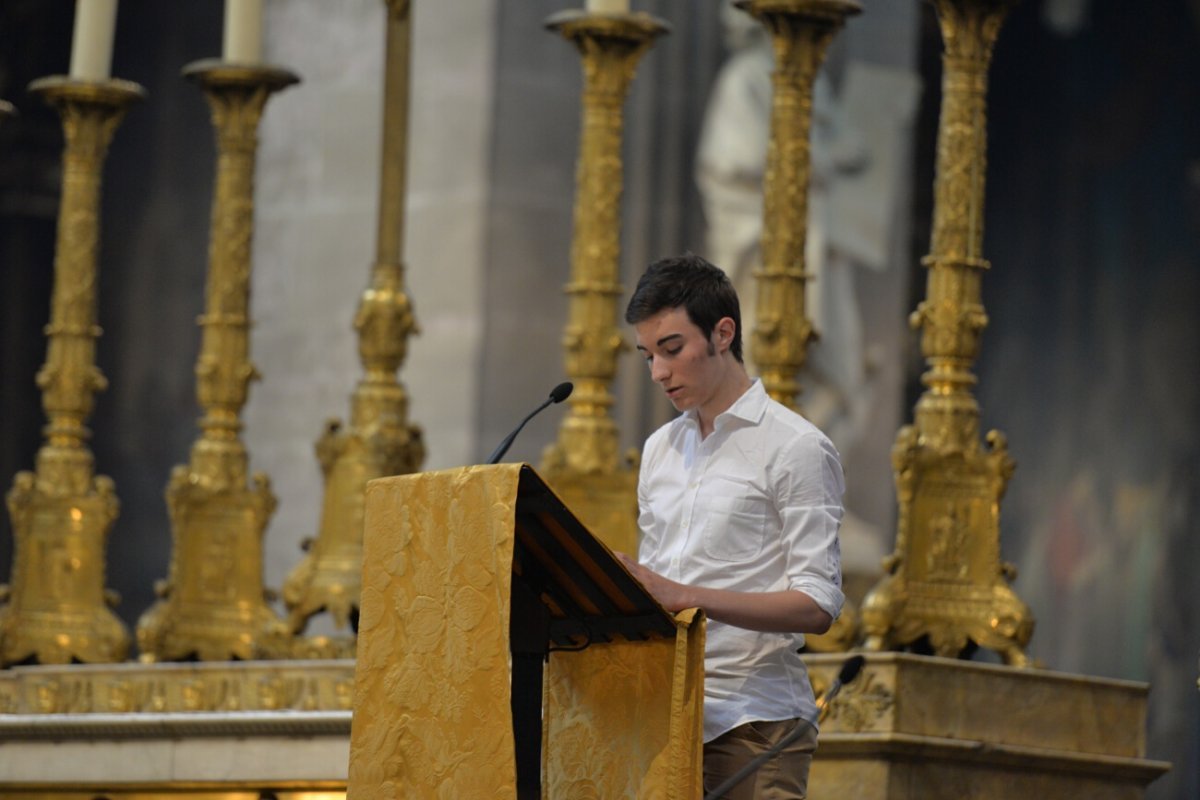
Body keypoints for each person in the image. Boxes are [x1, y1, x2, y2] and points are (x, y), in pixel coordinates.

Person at [617, 253, 845, 800]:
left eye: (672, 350)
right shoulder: (659, 450)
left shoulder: (795, 447)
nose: (659, 373)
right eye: (648, 356)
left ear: (723, 333)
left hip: (753, 722)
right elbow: (660, 583)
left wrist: (682, 595)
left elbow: (818, 603)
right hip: (662, 718)